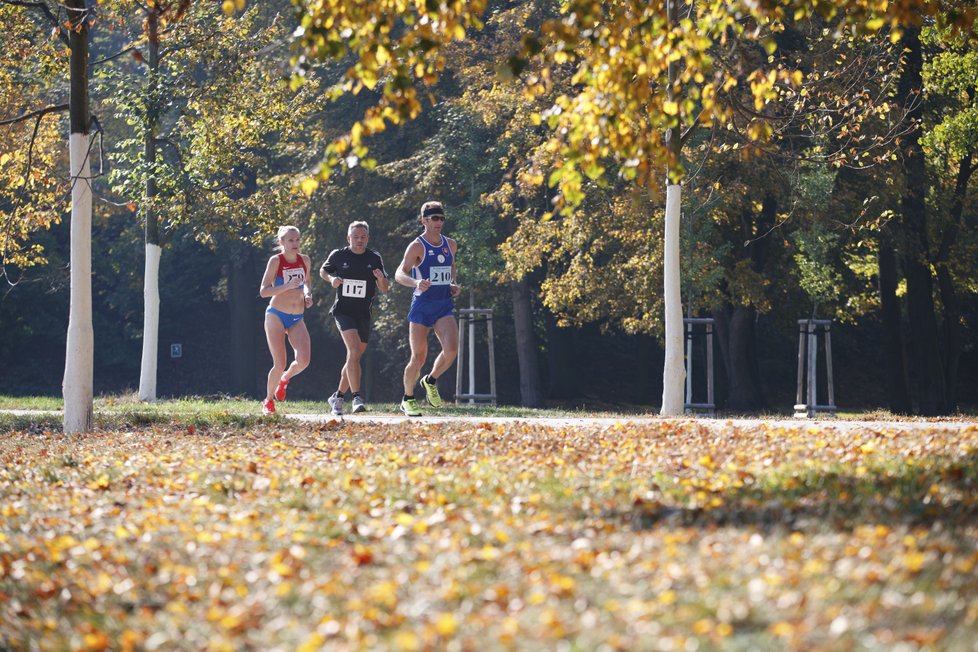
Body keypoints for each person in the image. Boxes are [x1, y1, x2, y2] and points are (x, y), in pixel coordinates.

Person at [394, 201, 461, 416]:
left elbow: (450, 267)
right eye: (434, 219)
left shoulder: (450, 244)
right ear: (424, 221)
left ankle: (430, 380)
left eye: (441, 218)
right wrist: (415, 283)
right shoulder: (417, 246)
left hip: (443, 304)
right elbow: (399, 273)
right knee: (418, 357)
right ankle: (408, 398)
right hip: (422, 306)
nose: (439, 222)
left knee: (452, 350)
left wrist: (452, 284)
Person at [320, 221, 390, 416]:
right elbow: (323, 271)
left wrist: (380, 278)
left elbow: (385, 288)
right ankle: (357, 397)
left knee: (355, 356)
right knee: (353, 350)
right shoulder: (338, 255)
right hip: (343, 311)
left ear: (368, 238)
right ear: (348, 238)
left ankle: (338, 396)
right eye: (356, 237)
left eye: (363, 237)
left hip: (363, 314)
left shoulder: (374, 258)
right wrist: (332, 279)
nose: (360, 240)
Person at [259, 225, 313, 415]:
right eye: (290, 240)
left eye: (297, 239)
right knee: (279, 362)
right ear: (282, 243)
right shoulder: (276, 261)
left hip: (297, 317)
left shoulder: (305, 260)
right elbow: (264, 291)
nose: (295, 243)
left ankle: (284, 379)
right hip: (276, 315)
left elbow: (307, 284)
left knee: (304, 360)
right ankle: (268, 400)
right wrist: (287, 286)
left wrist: (308, 296)